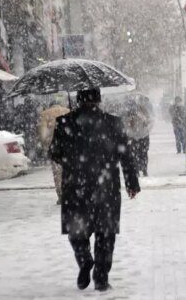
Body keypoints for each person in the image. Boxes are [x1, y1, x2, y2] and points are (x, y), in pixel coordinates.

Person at [49, 88, 140, 292]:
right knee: (105, 234)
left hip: (75, 186)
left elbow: (55, 153)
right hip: (106, 187)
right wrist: (131, 183)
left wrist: (72, 159)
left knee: (77, 231)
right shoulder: (114, 123)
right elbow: (125, 155)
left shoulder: (65, 122)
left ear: (78, 100)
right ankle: (101, 278)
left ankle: (84, 260)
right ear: (99, 100)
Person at [38, 98, 70, 204]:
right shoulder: (68, 111)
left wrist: (45, 145)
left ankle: (61, 196)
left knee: (57, 173)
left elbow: (43, 135)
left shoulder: (45, 114)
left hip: (54, 147)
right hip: (68, 146)